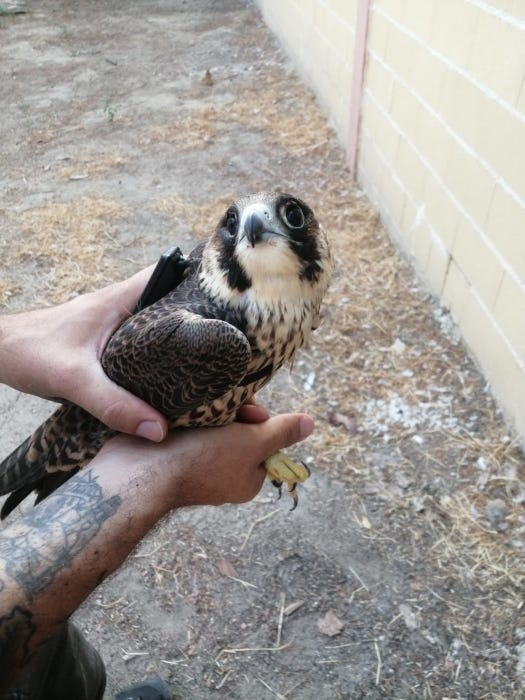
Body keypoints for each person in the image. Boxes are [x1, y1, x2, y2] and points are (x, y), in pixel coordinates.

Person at [0, 268, 314, 699]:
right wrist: (164, 477)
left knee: (62, 670)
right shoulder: (216, 335)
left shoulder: (289, 309)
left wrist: (7, 339)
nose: (257, 228)